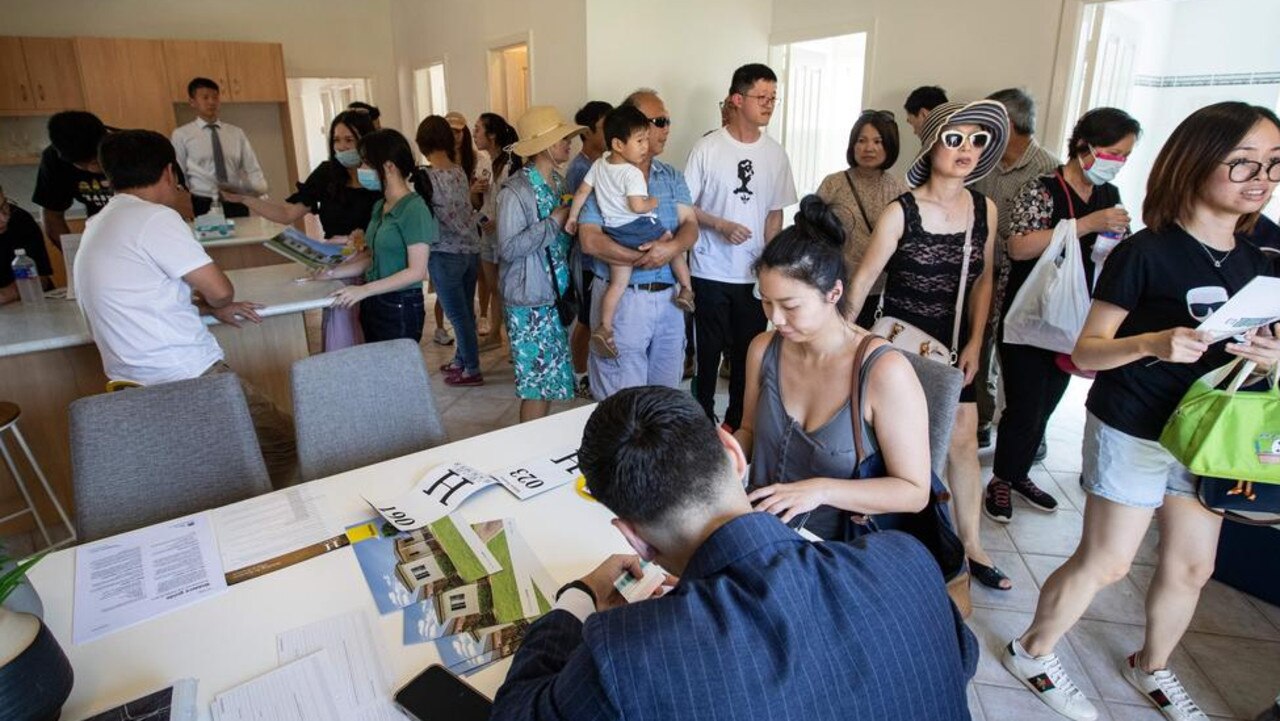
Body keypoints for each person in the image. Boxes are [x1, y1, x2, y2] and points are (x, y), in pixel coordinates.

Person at [1002, 101, 1280, 721]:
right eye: (1243, 164)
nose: (1260, 178)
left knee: (1192, 566)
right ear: (1198, 162)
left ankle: (1152, 665)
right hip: (1133, 423)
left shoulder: (1260, 259)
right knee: (1108, 560)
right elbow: (1086, 352)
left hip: (1207, 433)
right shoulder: (1146, 252)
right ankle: (1033, 650)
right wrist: (1154, 343)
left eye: (1272, 164)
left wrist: (1267, 354)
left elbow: (1259, 350)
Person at [491, 385, 979, 721]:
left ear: (634, 539)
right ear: (733, 454)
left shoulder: (624, 656)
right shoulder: (907, 563)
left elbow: (515, 712)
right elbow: (961, 656)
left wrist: (579, 597)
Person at [847, 100, 1009, 590]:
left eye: (977, 140)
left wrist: (978, 340)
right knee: (899, 444)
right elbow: (863, 281)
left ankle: (971, 546)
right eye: (954, 138)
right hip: (901, 343)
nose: (966, 150)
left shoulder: (985, 208)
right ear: (933, 143)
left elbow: (983, 280)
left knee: (962, 438)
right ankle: (895, 540)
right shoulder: (901, 211)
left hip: (956, 343)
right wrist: (837, 344)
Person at [74, 130, 296, 487]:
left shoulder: (99, 222)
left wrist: (201, 302)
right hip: (184, 375)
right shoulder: (153, 218)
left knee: (206, 464)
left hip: (131, 380)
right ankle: (267, 523)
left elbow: (146, 291)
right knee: (284, 444)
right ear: (168, 173)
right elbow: (222, 290)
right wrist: (216, 302)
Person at [735, 194, 932, 538]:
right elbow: (749, 432)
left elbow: (914, 491)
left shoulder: (884, 372)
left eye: (790, 305)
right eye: (766, 302)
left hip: (840, 550)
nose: (776, 319)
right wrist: (726, 457)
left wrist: (821, 490)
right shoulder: (763, 349)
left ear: (834, 293)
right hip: (762, 534)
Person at [985, 108, 1141, 525]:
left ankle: (1019, 474)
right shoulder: (1040, 190)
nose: (1117, 163)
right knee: (1023, 403)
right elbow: (1017, 246)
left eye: (1125, 155)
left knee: (1049, 401)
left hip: (1075, 318)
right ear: (1084, 146)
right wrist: (1085, 224)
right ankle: (1000, 478)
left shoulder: (1110, 195)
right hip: (1028, 314)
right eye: (1112, 152)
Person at [686, 63, 798, 431]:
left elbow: (774, 214)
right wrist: (718, 224)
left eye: (773, 98)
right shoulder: (708, 148)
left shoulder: (775, 154)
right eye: (761, 97)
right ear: (737, 99)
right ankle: (701, 421)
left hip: (752, 276)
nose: (768, 104)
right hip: (709, 270)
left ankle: (737, 423)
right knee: (708, 355)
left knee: (749, 355)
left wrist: (768, 263)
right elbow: (685, 206)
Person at [222, 110, 380, 352]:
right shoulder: (327, 174)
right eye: (336, 140)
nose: (342, 147)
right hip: (336, 266)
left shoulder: (379, 178)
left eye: (349, 140)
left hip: (373, 264)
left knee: (374, 332)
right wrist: (245, 199)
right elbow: (286, 214)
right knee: (342, 329)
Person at [579, 89, 699, 400]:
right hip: (624, 300)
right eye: (658, 121)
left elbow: (690, 227)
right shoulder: (607, 174)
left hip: (670, 302)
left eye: (667, 121)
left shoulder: (671, 176)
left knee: (664, 396)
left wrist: (669, 251)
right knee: (620, 400)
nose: (665, 129)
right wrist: (641, 257)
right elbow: (590, 239)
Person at [971, 88, 1063, 452]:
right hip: (981, 273)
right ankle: (980, 419)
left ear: (1005, 124)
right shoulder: (981, 164)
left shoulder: (1049, 169)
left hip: (1026, 281)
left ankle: (1029, 432)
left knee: (1022, 362)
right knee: (977, 349)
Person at [496, 106, 584, 422]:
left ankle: (536, 447)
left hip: (552, 297)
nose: (568, 144)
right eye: (562, 139)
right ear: (546, 145)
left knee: (549, 382)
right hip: (529, 300)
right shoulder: (516, 191)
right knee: (536, 385)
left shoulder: (558, 185)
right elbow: (508, 247)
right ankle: (526, 451)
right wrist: (554, 222)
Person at [320, 129, 436, 344]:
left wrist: (363, 290)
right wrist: (331, 273)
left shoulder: (414, 209)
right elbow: (373, 258)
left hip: (399, 304)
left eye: (365, 163)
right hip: (374, 301)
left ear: (388, 166)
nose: (360, 169)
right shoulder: (380, 206)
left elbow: (417, 271)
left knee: (395, 372)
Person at [815, 110, 909, 329]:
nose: (869, 148)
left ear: (889, 145)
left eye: (878, 141)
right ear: (852, 145)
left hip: (881, 292)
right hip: (835, 286)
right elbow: (812, 233)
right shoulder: (833, 183)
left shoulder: (899, 190)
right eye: (862, 141)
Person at [417, 115, 485, 386]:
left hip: (444, 253)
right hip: (470, 251)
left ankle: (471, 368)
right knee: (466, 311)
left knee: (457, 317)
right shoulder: (458, 171)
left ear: (422, 143)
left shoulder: (426, 178)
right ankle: (461, 360)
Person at [566, 100, 614, 394]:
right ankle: (579, 374)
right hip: (585, 258)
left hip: (601, 257)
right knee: (585, 320)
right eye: (604, 126)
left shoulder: (605, 164)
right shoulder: (580, 169)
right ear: (587, 131)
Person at [171, 78, 267, 218]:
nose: (211, 102)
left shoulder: (236, 133)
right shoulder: (182, 135)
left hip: (235, 200)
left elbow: (252, 168)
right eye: (205, 97)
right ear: (192, 102)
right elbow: (179, 174)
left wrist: (261, 195)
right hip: (201, 202)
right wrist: (185, 204)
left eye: (215, 97)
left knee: (243, 237)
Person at [475, 112, 523, 353]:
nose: (474, 134)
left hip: (506, 235)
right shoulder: (483, 163)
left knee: (507, 288)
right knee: (494, 286)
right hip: (487, 233)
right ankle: (495, 333)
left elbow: (516, 203)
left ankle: (513, 338)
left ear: (491, 135)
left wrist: (500, 221)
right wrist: (474, 190)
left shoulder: (512, 163)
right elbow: (478, 200)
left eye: (478, 129)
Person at [0, 185, 53, 305]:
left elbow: (40, 280)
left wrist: (5, 295)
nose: (4, 218)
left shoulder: (20, 220)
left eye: (4, 205)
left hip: (31, 306)